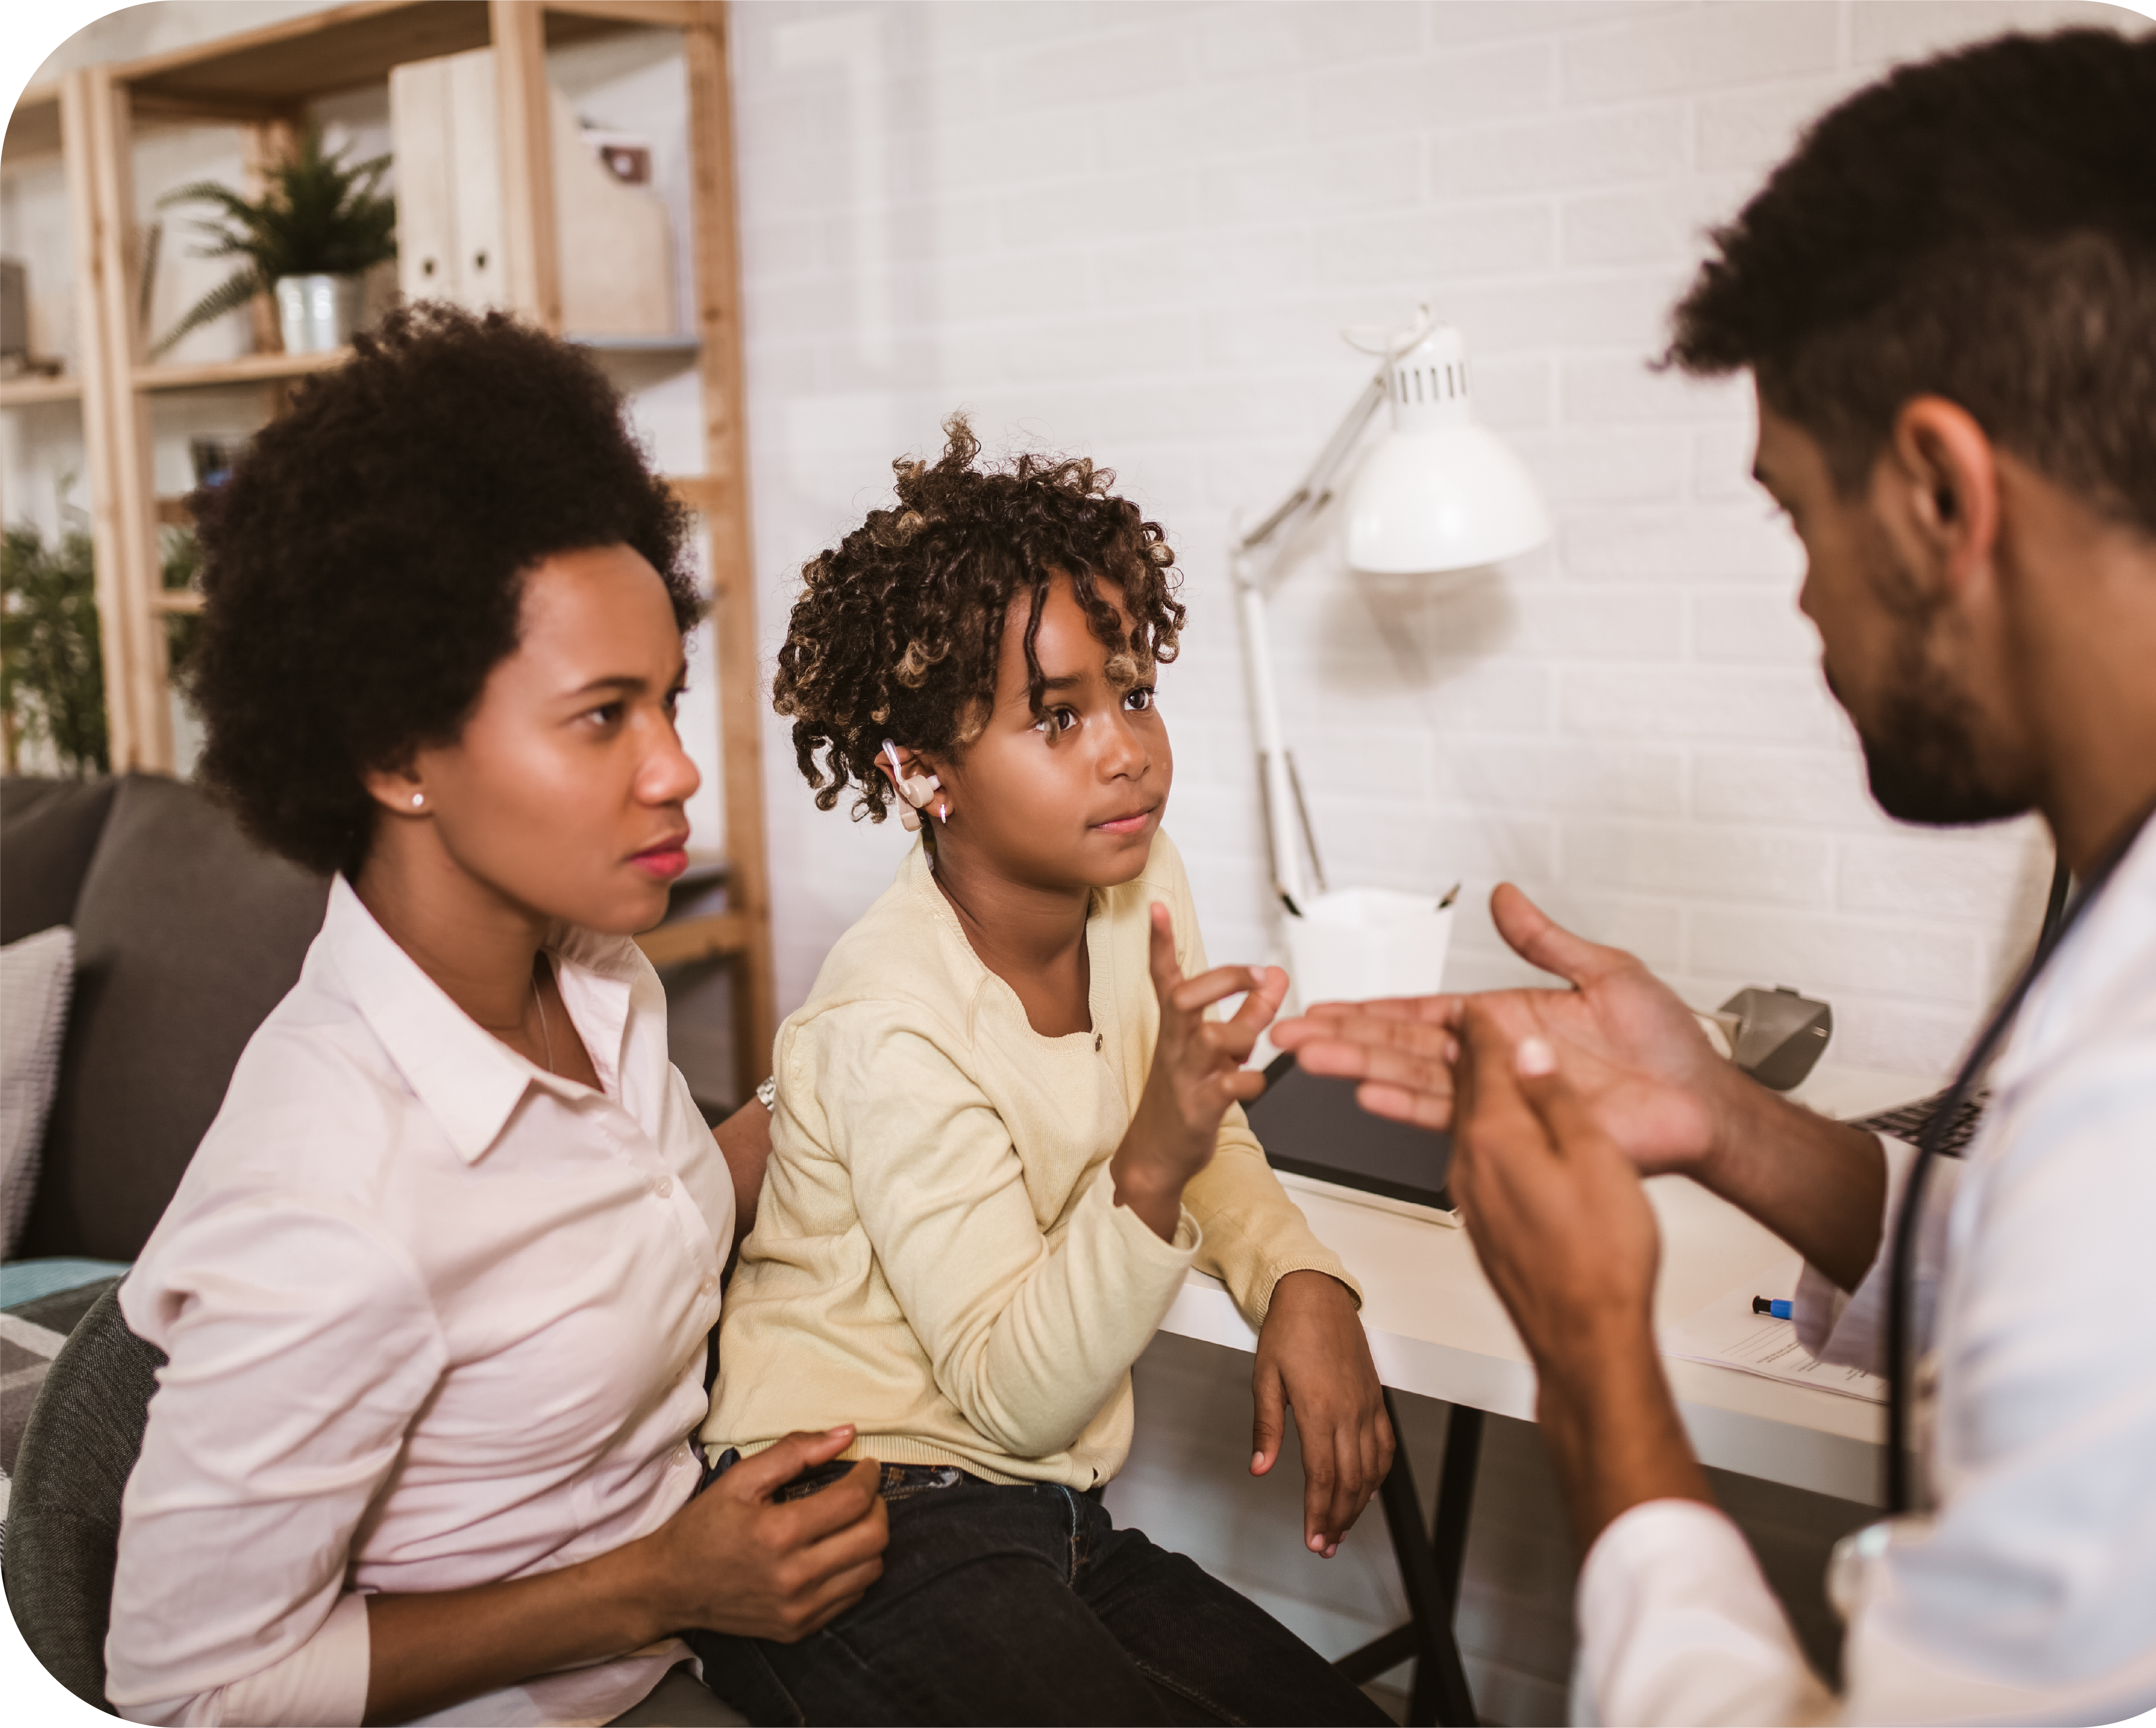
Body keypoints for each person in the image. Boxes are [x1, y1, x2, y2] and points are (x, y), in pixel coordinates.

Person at [1272, 27, 2156, 1727]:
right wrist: (1724, 1120)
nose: (1805, 610)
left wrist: (1591, 1356)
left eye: (1800, 520)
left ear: (1942, 493)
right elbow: (2049, 1272)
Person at [105, 305, 886, 1728]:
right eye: (603, 718)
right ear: (400, 752)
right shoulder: (327, 1207)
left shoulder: (594, 974)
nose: (674, 773)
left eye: (667, 701)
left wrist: (840, 1088)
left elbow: (618, 1226)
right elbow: (185, 1695)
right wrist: (658, 1583)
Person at [686, 420, 1395, 1727]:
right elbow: (1010, 1390)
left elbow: (1198, 1125)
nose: (1123, 747)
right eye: (1055, 716)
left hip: (1039, 1510)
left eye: (1131, 690)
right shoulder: (887, 1016)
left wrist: (1297, 1277)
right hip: (851, 1513)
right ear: (918, 770)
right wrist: (1150, 1158)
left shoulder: (1132, 886)